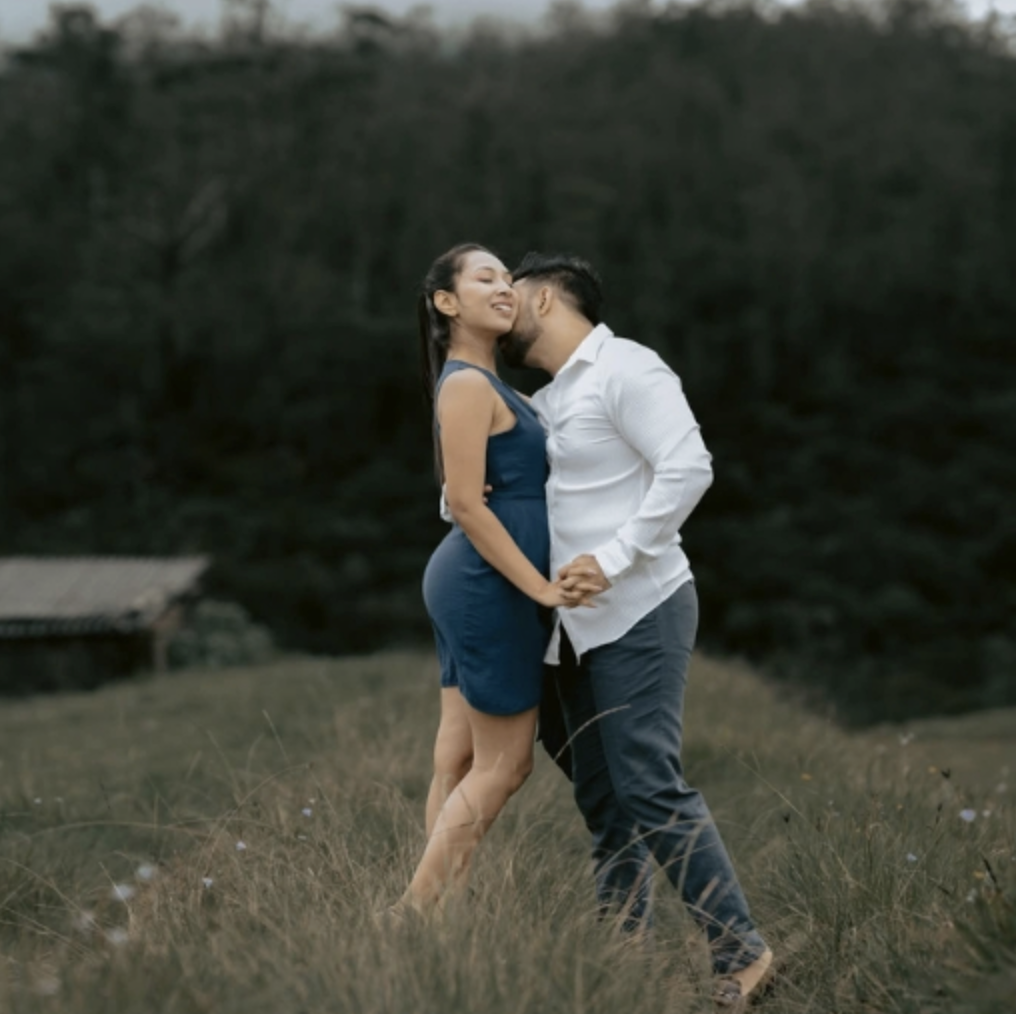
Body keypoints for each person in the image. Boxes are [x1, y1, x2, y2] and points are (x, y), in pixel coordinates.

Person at [499, 252, 774, 1009]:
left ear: (547, 297)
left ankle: (743, 953)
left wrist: (615, 559)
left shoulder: (627, 367)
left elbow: (688, 467)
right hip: (564, 631)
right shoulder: (544, 401)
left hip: (639, 610)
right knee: (605, 805)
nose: (498, 304)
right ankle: (624, 963)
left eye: (509, 292)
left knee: (648, 784)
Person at [389, 242, 585, 918]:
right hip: (487, 583)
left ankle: (440, 913)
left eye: (508, 277)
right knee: (505, 765)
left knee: (458, 756)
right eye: (485, 278)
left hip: (473, 579)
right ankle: (412, 918)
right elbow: (467, 501)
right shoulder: (469, 384)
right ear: (447, 302)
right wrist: (537, 587)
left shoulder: (486, 381)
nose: (506, 286)